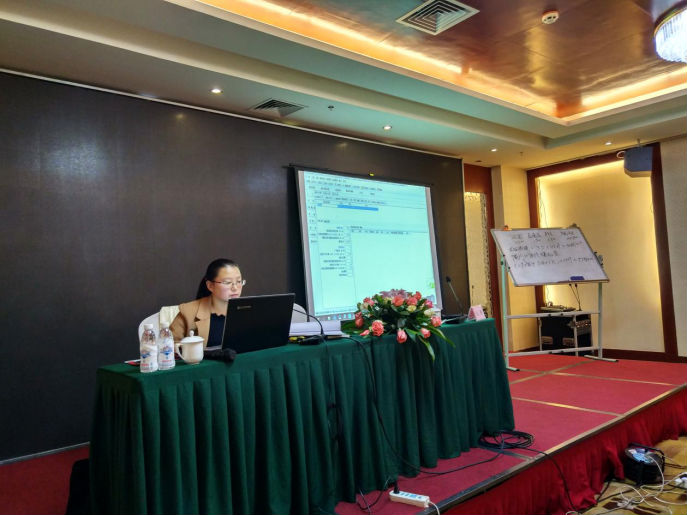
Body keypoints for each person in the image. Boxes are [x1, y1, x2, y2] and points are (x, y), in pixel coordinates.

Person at [170, 258, 245, 346]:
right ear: (210, 286)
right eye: (227, 282)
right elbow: (169, 347)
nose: (235, 288)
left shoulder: (249, 310)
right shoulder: (187, 312)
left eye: (239, 281)